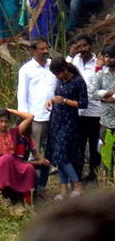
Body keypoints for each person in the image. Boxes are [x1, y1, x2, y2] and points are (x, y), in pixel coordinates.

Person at [46, 58, 89, 199]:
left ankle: (77, 184)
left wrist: (65, 101)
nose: (56, 77)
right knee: (57, 156)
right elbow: (58, 96)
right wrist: (51, 101)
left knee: (62, 155)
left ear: (65, 70)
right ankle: (64, 189)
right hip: (56, 120)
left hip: (69, 121)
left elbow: (83, 103)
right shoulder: (59, 81)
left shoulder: (78, 82)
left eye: (58, 74)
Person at [18, 39, 56, 190]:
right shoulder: (26, 69)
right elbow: (22, 95)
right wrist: (25, 118)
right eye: (42, 49)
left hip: (53, 117)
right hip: (36, 117)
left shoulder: (52, 66)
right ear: (33, 51)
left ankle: (42, 184)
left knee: (50, 152)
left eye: (47, 48)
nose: (46, 51)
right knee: (35, 152)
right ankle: (30, 183)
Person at [69, 35, 102, 183]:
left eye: (84, 45)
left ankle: (93, 174)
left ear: (91, 45)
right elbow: (62, 71)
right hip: (79, 111)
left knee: (94, 144)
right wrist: (70, 55)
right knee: (78, 144)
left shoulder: (99, 63)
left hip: (96, 111)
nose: (82, 49)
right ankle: (77, 174)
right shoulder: (74, 61)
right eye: (79, 46)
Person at [89, 43, 115, 180]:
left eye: (111, 57)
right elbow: (93, 92)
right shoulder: (101, 74)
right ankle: (107, 180)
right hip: (106, 121)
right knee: (106, 152)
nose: (108, 60)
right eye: (106, 57)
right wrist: (107, 94)